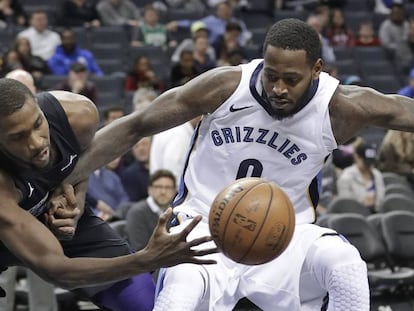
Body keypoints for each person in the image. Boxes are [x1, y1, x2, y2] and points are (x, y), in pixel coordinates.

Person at [65, 17, 405, 310]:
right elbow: (137, 124)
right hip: (200, 227)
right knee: (179, 296)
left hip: (284, 235)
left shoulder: (341, 107)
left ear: (316, 70)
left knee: (347, 265)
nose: (278, 88)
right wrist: (73, 178)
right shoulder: (226, 87)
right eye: (271, 75)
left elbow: (400, 110)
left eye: (291, 79)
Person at [0, 78, 217, 311]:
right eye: (18, 137)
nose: (36, 142)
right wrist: (146, 259)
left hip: (60, 222)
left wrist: (76, 200)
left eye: (37, 124)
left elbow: (84, 164)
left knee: (144, 304)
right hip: (9, 233)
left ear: (39, 107)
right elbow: (57, 270)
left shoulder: (77, 115)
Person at [0, 69, 58, 311]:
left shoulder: (50, 121)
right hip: (8, 215)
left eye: (29, 86)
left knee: (44, 270)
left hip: (41, 213)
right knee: (5, 273)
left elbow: (72, 168)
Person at [126, 169, 177, 252]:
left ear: (174, 191)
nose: (163, 192)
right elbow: (138, 250)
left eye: (168, 188)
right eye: (158, 187)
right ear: (149, 190)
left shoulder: (177, 212)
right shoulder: (137, 213)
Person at [337, 139, 385, 212]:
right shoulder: (346, 177)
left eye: (371, 163)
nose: (369, 166)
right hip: (355, 216)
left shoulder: (377, 175)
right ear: (357, 157)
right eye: (366, 163)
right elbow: (345, 203)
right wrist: (362, 202)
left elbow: (381, 201)